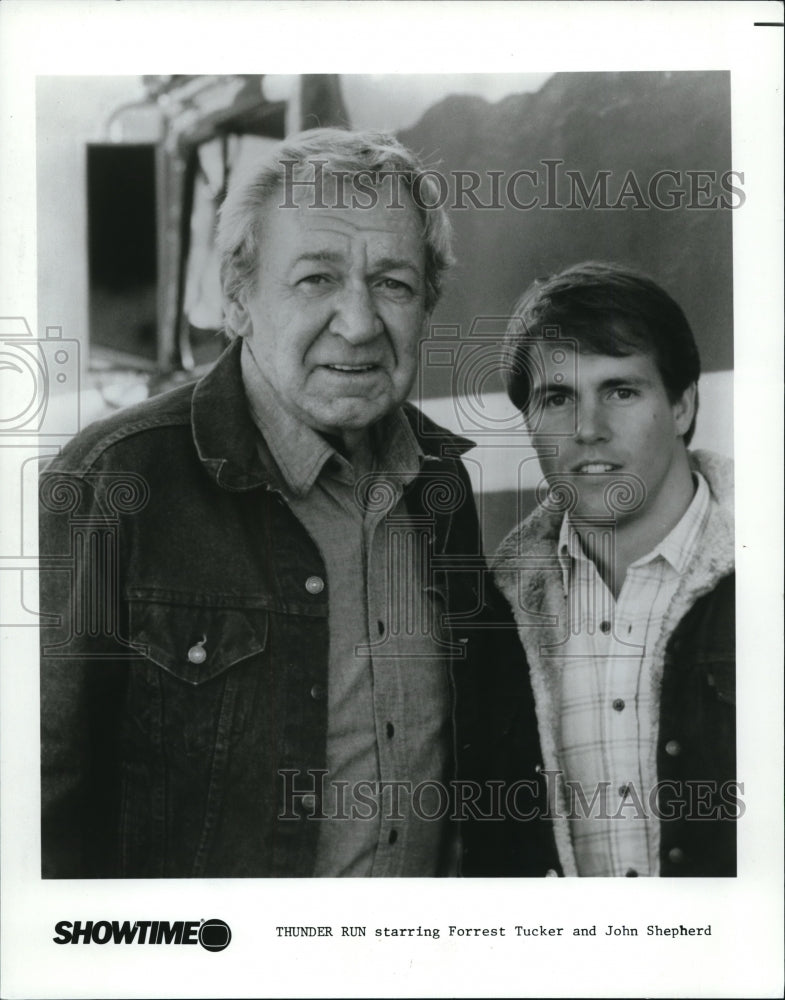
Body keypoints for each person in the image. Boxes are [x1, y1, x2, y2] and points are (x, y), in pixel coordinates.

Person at [39, 128, 555, 878]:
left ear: (427, 306)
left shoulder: (439, 482)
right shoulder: (115, 484)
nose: (358, 323)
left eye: (392, 283)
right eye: (316, 279)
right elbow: (37, 811)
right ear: (239, 300)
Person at [493, 261, 736, 877]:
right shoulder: (497, 610)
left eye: (621, 391)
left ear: (682, 406)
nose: (588, 430)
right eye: (557, 398)